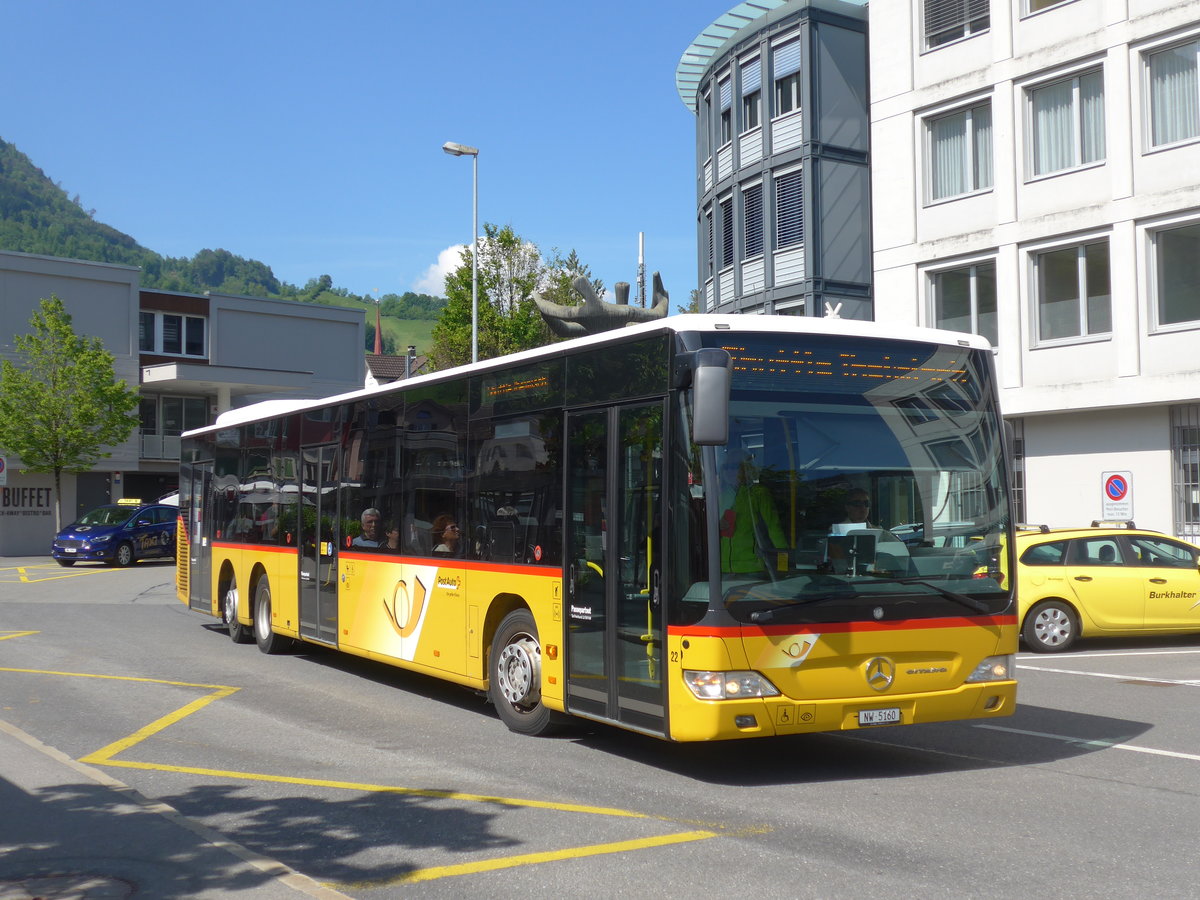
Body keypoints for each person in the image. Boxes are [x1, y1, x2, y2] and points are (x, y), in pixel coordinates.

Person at [716, 451, 786, 575]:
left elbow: (774, 529)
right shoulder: (722, 495)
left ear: (746, 469)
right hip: (722, 570)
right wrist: (717, 525)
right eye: (726, 467)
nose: (729, 471)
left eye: (735, 466)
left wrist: (784, 566)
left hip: (751, 569)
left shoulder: (758, 493)